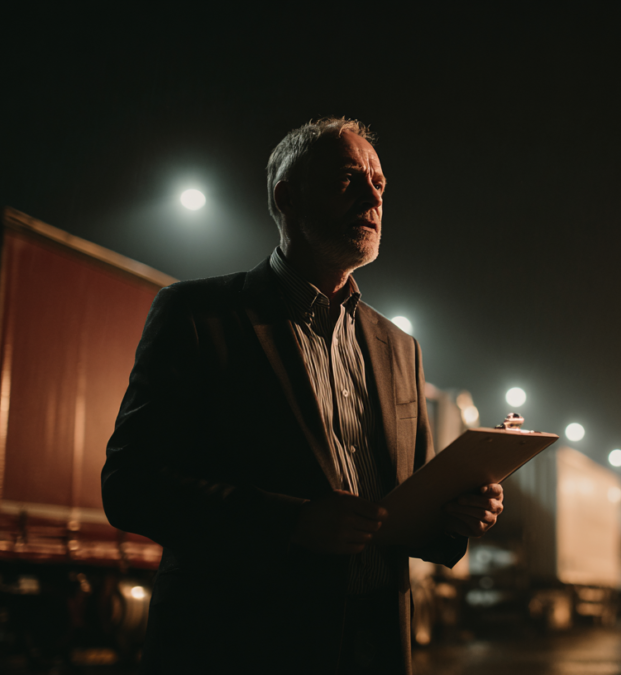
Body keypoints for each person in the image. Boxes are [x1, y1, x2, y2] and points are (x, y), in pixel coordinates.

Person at [101, 117, 503, 674]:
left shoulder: (399, 347)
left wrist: (458, 514)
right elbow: (130, 485)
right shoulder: (199, 317)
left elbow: (406, 504)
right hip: (241, 644)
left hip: (375, 642)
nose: (373, 198)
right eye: (348, 179)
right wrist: (292, 522)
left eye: (379, 184)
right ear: (286, 198)